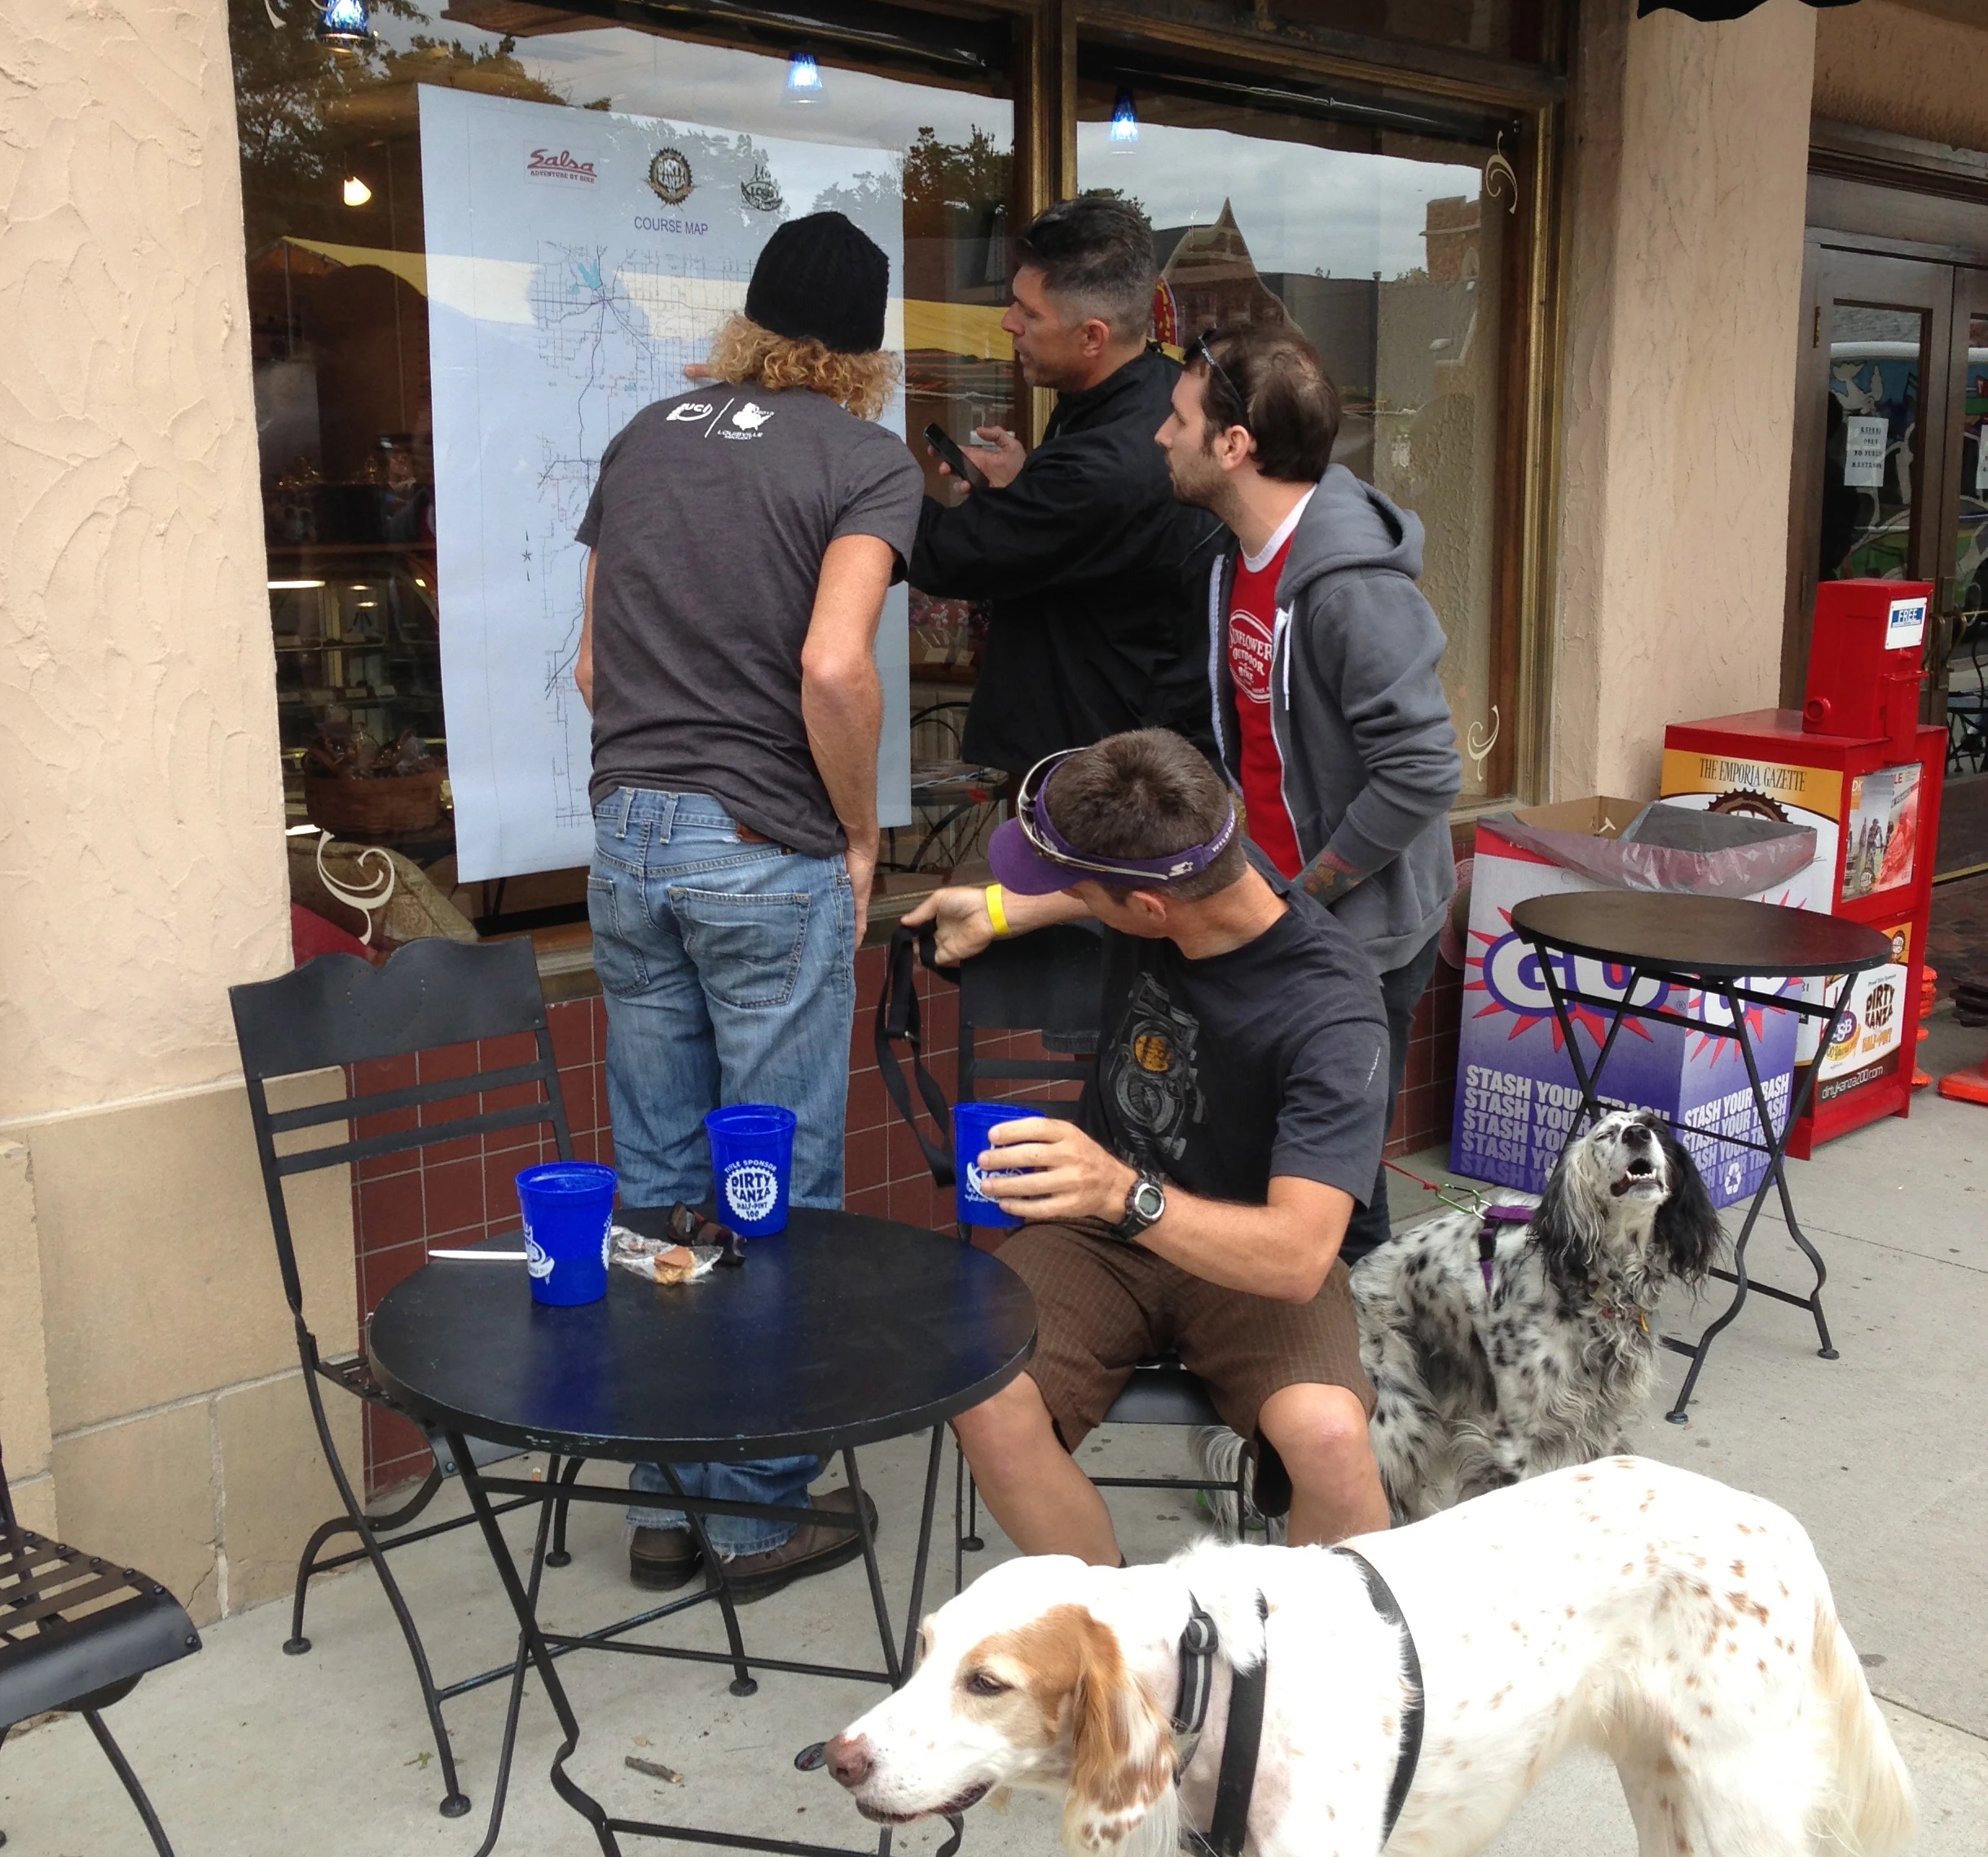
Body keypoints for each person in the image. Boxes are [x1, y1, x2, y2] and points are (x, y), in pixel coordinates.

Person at [574, 210, 921, 1600]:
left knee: (658, 1177)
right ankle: (753, 1513)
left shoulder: (644, 436)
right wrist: (857, 832)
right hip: (762, 843)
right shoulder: (863, 460)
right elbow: (834, 666)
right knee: (772, 1186)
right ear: (866, 348)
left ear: (752, 318)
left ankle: (664, 1499)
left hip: (626, 837)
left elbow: (592, 668)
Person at [904, 728, 1392, 1562]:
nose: (1064, 894)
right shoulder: (1203, 862)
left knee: (1330, 1437)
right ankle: (1125, 1622)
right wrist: (997, 910)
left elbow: (1298, 1257)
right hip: (1094, 1241)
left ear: (1149, 911)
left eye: (1077, 886)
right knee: (985, 1395)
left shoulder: (1333, 1014)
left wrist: (1119, 1190)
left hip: (1245, 1250)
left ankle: (1326, 1641)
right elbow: (1101, 889)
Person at [1161, 320, 1460, 1267]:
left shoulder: (1349, 588)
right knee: (1273, 1163)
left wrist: (1310, 893)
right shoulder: (1240, 558)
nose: (1162, 436)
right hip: (1283, 907)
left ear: (1233, 444)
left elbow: (1424, 768)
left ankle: (1362, 1349)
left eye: (1178, 420)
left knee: (1333, 1181)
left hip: (1355, 929)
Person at [908, 196, 1225, 773]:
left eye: (1029, 313)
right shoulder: (1150, 392)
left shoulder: (1104, 464)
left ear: (1092, 337)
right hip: (1116, 743)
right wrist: (1028, 486)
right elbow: (1091, 533)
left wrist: (848, 468)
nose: (1008, 322)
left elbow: (944, 554)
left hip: (1103, 775)